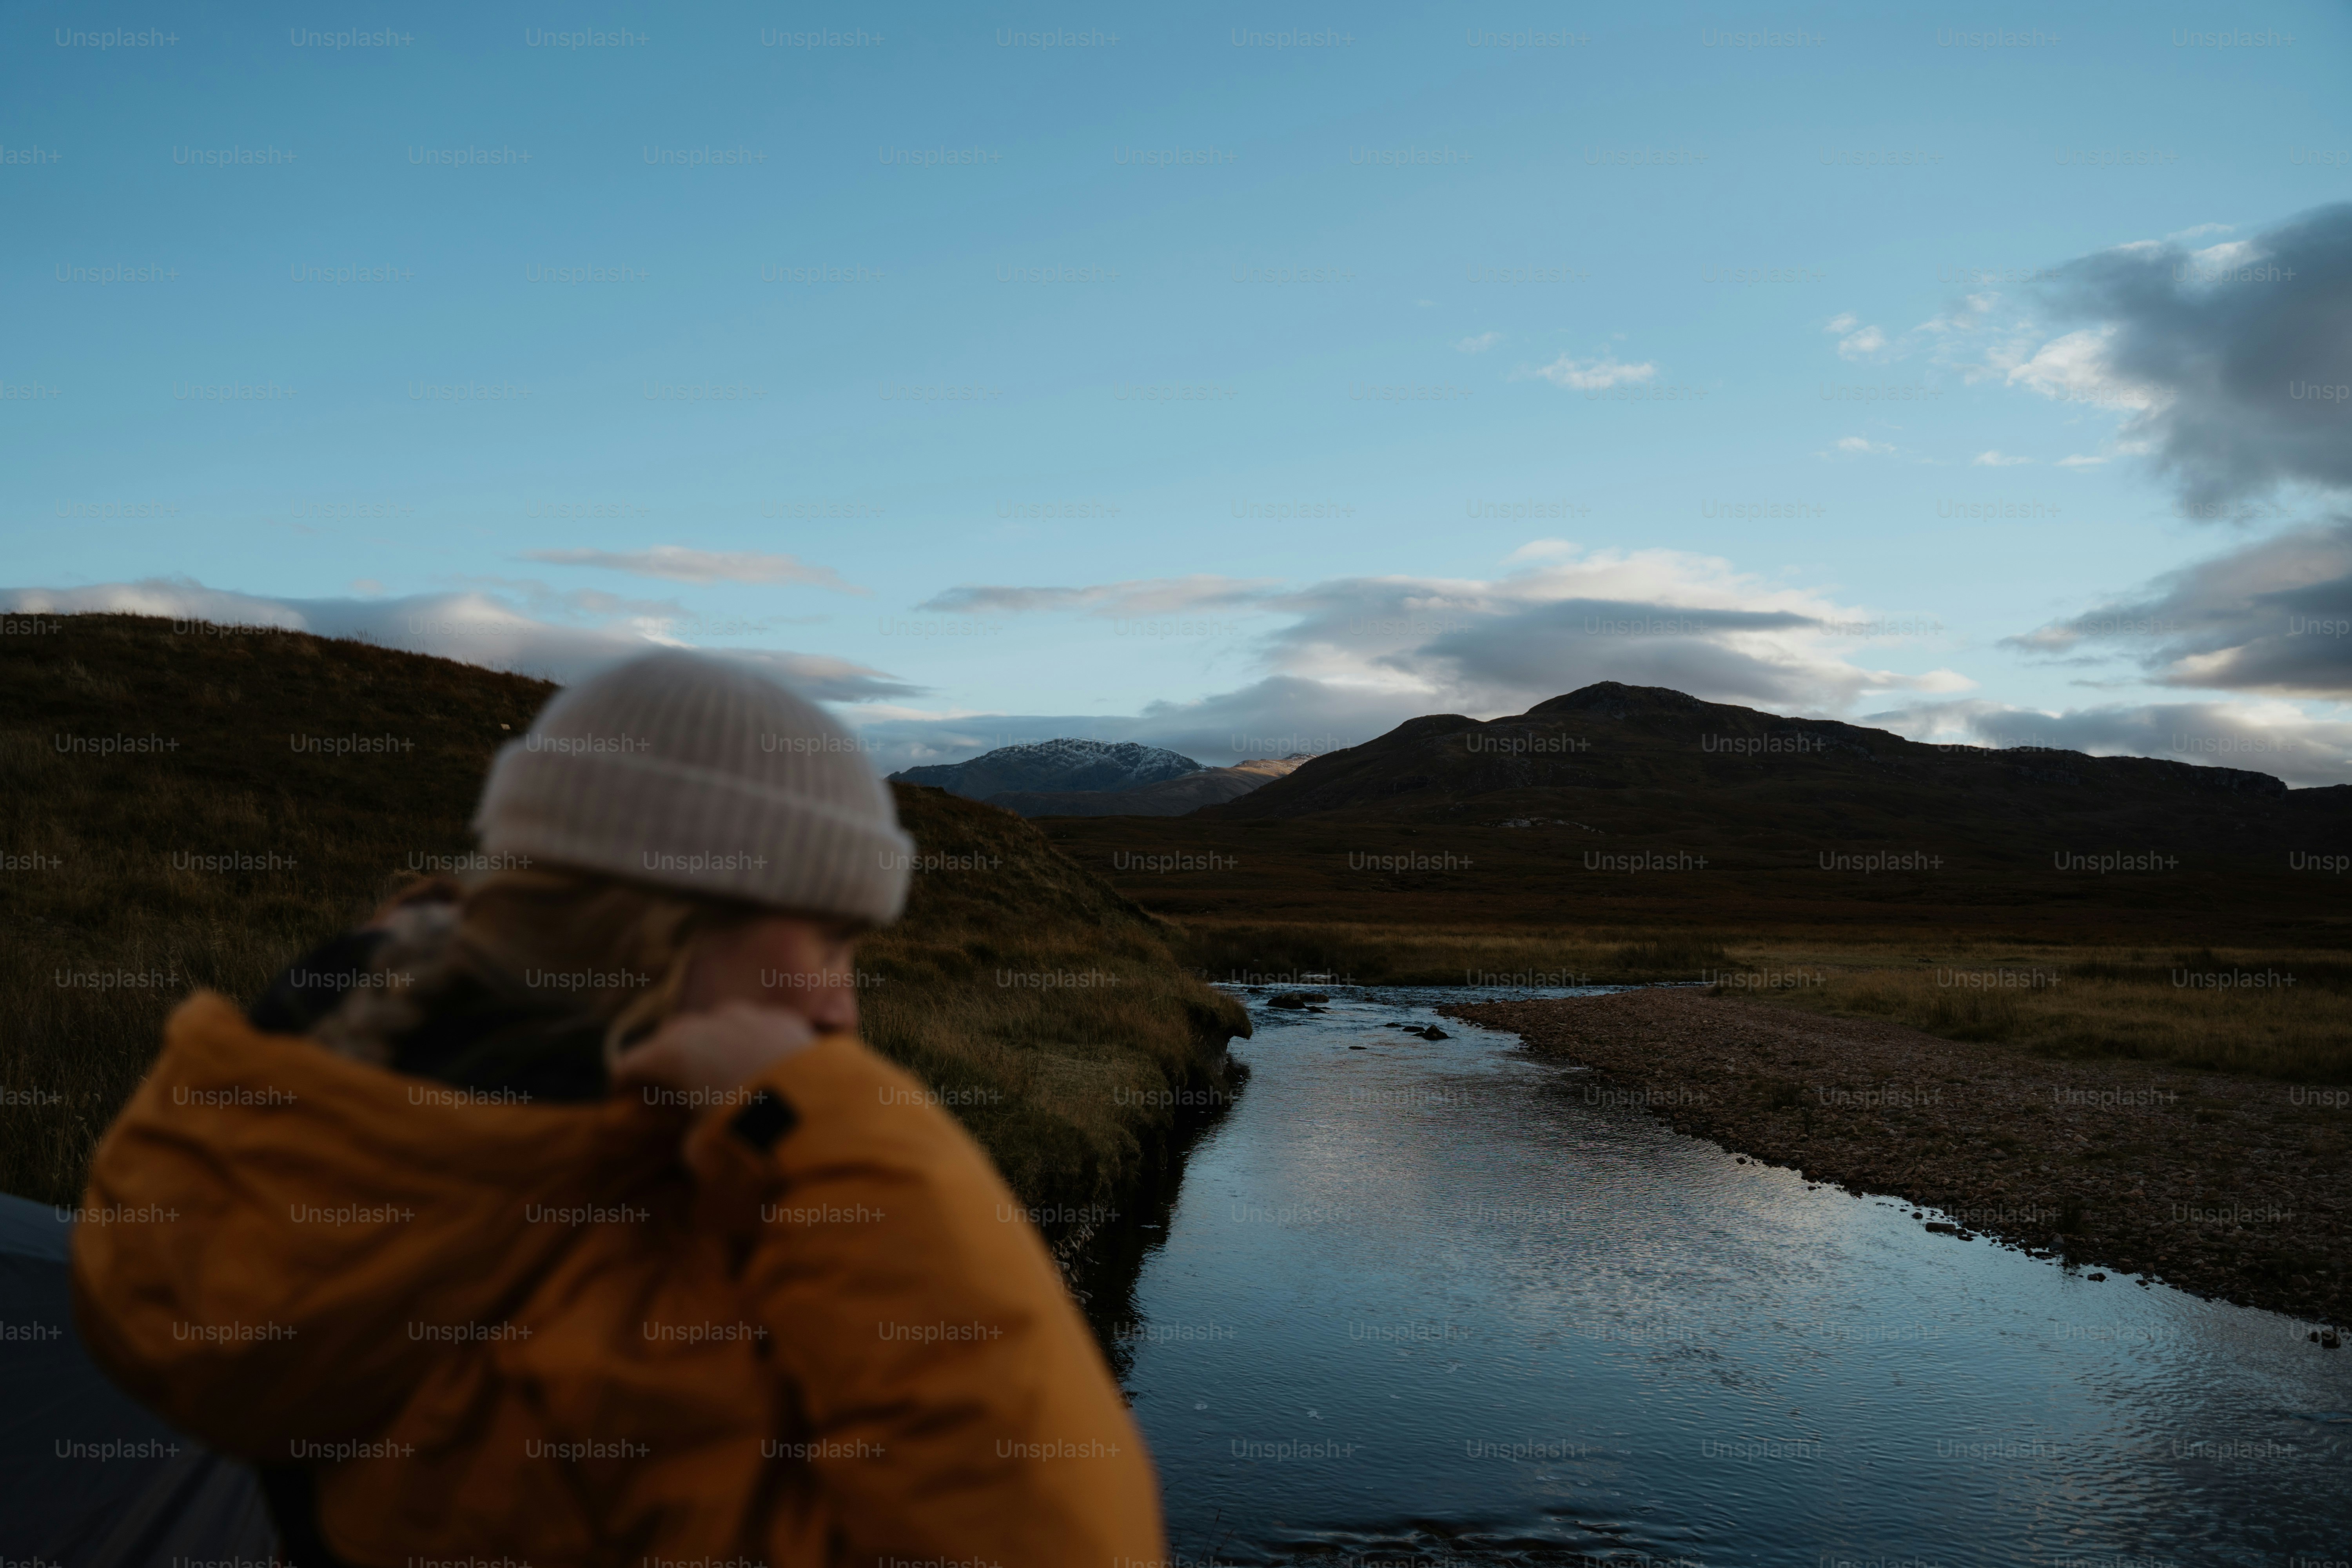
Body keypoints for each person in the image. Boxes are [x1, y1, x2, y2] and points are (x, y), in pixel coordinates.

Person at [70, 648, 1164, 1567]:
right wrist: (830, 1118)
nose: (842, 1003)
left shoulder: (312, 1126)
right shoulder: (636, 1265)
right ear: (671, 920)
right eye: (828, 941)